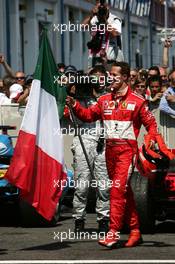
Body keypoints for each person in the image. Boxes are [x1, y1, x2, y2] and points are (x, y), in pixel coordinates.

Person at [66, 62, 158, 248]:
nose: (110, 78)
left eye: (115, 75)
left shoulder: (138, 100)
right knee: (126, 193)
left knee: (116, 190)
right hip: (109, 151)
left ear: (125, 77)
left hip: (127, 151)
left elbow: (152, 124)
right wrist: (74, 104)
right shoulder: (103, 99)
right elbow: (88, 116)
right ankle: (135, 231)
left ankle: (113, 232)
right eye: (110, 75)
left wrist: (152, 140)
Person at [64, 65, 110, 233]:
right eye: (94, 77)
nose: (98, 80)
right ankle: (79, 218)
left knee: (104, 185)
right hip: (83, 139)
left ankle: (104, 219)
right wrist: (70, 91)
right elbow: (66, 113)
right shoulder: (79, 96)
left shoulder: (110, 96)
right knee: (82, 185)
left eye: (101, 77)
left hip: (104, 142)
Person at [82, 0, 123, 67]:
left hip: (110, 60)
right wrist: (92, 15)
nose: (101, 10)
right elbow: (83, 26)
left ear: (108, 7)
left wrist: (104, 21)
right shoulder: (94, 19)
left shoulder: (114, 19)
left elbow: (115, 33)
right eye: (99, 8)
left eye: (103, 8)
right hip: (95, 58)